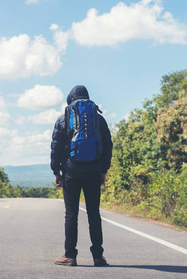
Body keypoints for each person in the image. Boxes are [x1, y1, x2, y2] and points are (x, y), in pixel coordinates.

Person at [50, 85, 113, 267]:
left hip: (71, 171)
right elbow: (107, 146)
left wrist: (57, 171)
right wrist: (103, 170)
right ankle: (98, 256)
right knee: (94, 214)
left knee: (71, 214)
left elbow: (56, 147)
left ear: (70, 100)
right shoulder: (98, 119)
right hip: (93, 171)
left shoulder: (64, 119)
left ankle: (70, 255)